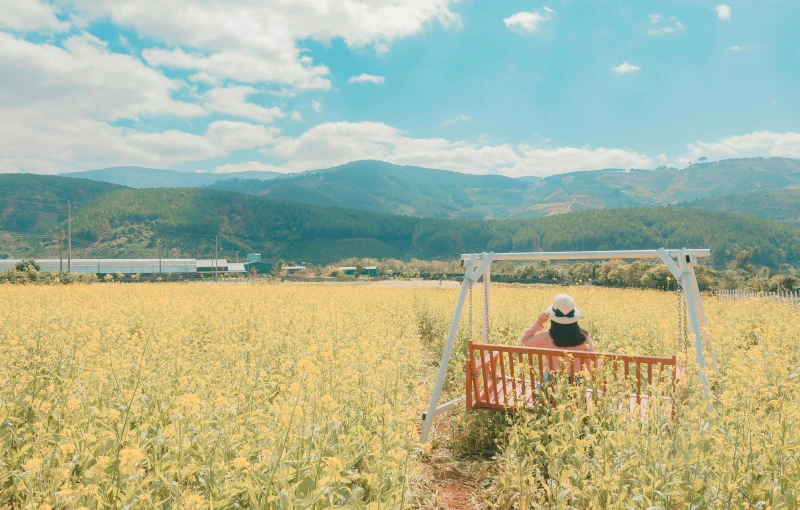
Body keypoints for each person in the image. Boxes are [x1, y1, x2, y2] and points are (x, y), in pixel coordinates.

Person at [520, 294, 595, 377]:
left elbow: (524, 340)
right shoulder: (584, 338)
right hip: (576, 381)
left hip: (552, 380)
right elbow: (592, 365)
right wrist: (602, 387)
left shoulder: (546, 337)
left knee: (546, 373)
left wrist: (538, 323)